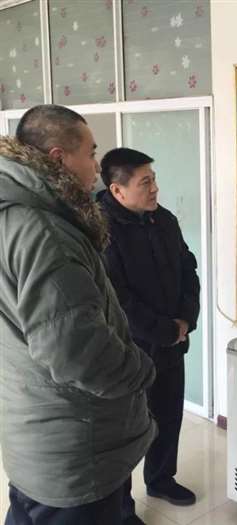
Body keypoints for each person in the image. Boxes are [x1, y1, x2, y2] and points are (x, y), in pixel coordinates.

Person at [0, 105, 156, 525]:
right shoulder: (46, 232)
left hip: (34, 432)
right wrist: (141, 369)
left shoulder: (13, 213)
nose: (96, 167)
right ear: (58, 158)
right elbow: (77, 354)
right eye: (91, 154)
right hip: (74, 449)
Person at [97, 148, 200, 520]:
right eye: (145, 182)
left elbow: (188, 268)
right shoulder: (101, 230)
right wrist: (165, 330)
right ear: (118, 190)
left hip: (172, 342)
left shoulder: (164, 219)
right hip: (130, 349)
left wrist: (185, 318)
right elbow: (117, 298)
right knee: (126, 430)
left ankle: (161, 479)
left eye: (153, 179)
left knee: (168, 416)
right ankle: (122, 507)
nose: (155, 188)